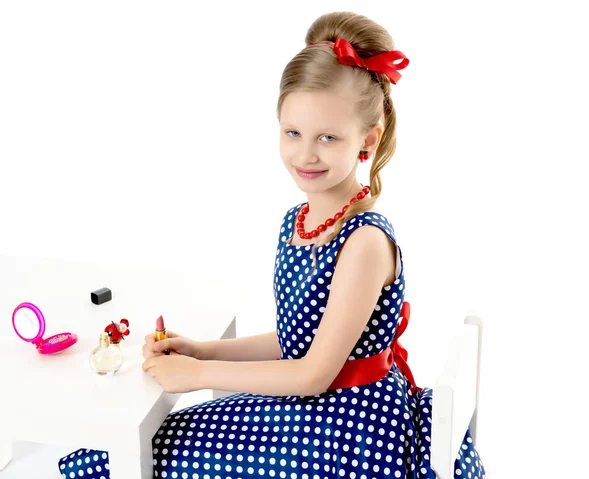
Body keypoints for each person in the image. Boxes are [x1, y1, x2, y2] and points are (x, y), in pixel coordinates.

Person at [58, 11, 486, 479]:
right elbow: (297, 343)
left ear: (368, 140)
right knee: (127, 446)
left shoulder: (364, 242)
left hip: (351, 430)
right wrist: (204, 352)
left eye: (327, 137)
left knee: (136, 456)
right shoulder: (298, 221)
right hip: (316, 409)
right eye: (292, 133)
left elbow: (312, 374)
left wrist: (198, 378)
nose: (305, 154)